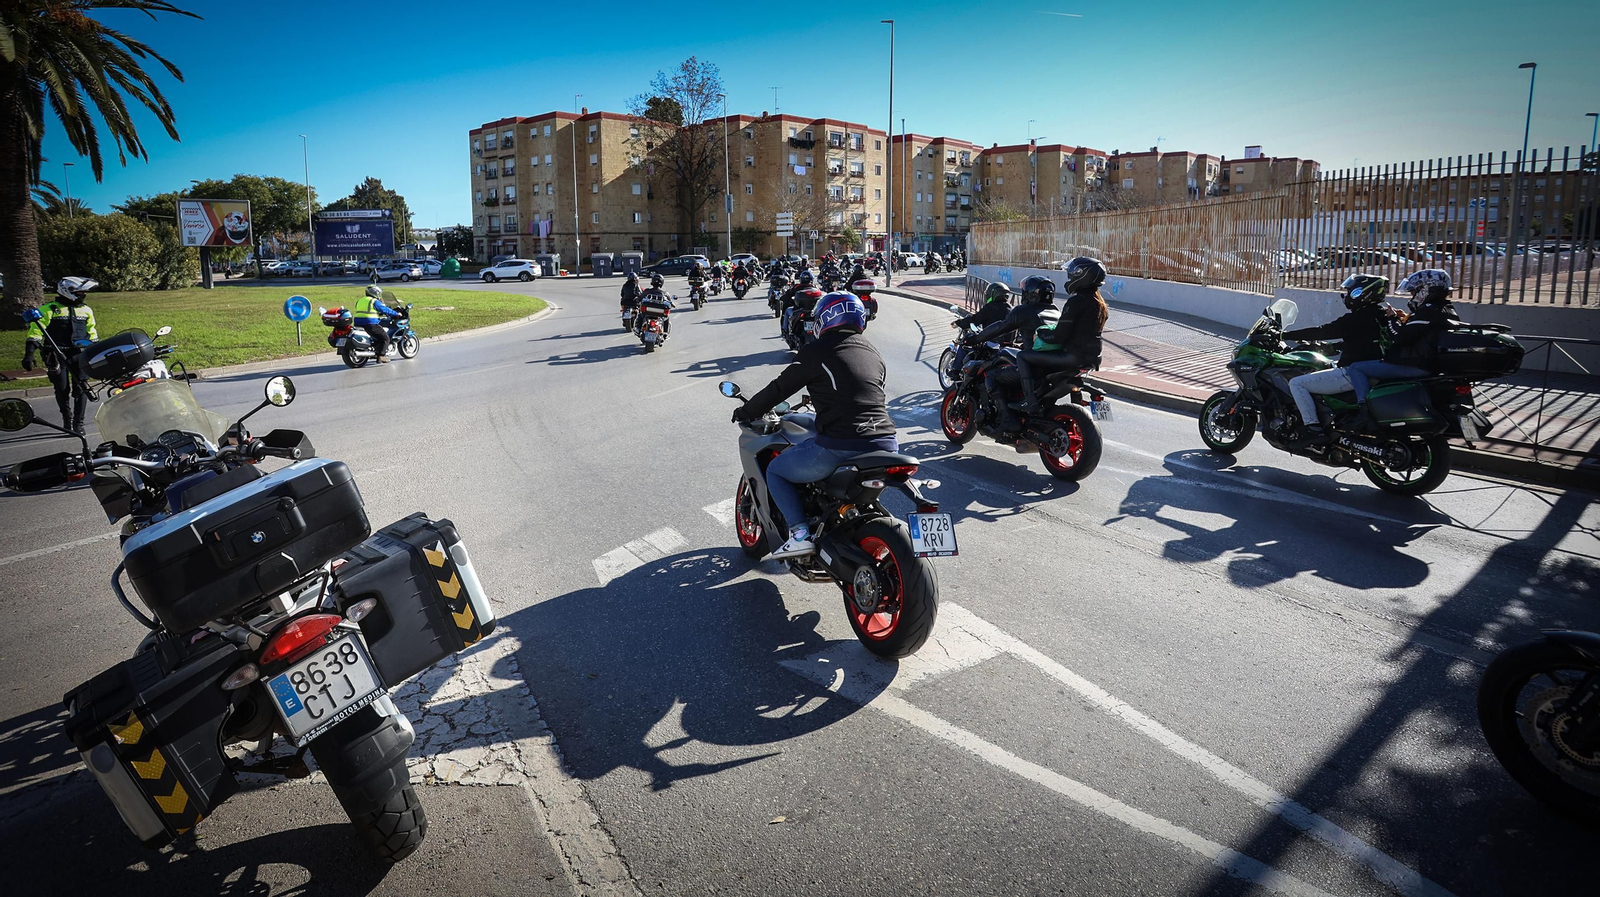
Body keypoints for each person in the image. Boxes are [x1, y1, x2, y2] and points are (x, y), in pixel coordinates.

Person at [733, 292, 896, 559]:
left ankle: (799, 534)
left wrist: (746, 411)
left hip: (842, 444)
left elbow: (779, 389)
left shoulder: (817, 351)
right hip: (887, 443)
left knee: (776, 470)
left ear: (825, 318)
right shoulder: (872, 352)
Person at [1281, 273, 1403, 443]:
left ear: (1364, 294)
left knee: (1297, 383)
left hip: (1353, 373)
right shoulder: (1382, 315)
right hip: (1375, 370)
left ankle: (1313, 428)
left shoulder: (1357, 318)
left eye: (1351, 292)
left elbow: (1323, 331)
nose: (1347, 296)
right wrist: (1332, 347)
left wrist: (1284, 335)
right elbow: (1364, 341)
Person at [965, 275, 1059, 436]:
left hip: (1033, 366)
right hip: (1055, 365)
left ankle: (1009, 419)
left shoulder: (1024, 311)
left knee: (992, 375)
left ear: (1030, 293)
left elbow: (1000, 327)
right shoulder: (1056, 312)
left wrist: (975, 339)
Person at [1347, 268, 1459, 401]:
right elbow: (1418, 331)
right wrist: (1405, 318)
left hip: (1416, 364)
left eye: (1413, 292)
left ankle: (1364, 406)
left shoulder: (1427, 311)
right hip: (1429, 363)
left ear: (1425, 290)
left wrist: (1392, 318)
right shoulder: (1446, 309)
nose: (1412, 296)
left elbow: (1400, 338)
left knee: (1356, 368)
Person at [1019, 257, 1109, 413]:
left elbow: (1059, 336)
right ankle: (1076, 407)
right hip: (1093, 358)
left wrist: (1041, 332)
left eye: (1072, 274)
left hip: (1073, 356)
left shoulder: (1076, 301)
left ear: (1082, 275)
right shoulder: (1100, 303)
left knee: (1022, 356)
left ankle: (1030, 401)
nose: (1070, 278)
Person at [23, 277, 99, 433]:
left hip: (79, 354)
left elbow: (92, 333)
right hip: (56, 355)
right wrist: (29, 354)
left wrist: (95, 351)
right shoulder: (48, 309)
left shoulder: (86, 310)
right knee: (62, 388)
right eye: (79, 292)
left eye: (83, 292)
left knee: (81, 389)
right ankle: (67, 418)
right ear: (67, 291)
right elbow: (35, 333)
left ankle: (79, 423)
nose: (82, 295)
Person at [353, 284, 401, 362]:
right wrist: (396, 314)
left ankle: (375, 349)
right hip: (370, 323)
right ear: (374, 292)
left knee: (376, 336)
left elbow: (366, 310)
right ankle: (381, 356)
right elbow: (384, 309)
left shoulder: (360, 300)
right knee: (385, 338)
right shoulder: (374, 301)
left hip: (358, 323)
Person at [639, 273, 674, 338]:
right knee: (666, 318)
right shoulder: (665, 293)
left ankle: (638, 329)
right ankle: (665, 333)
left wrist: (637, 300)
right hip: (659, 313)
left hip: (648, 312)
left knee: (640, 315)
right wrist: (672, 304)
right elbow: (670, 302)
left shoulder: (647, 291)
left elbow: (639, 298)